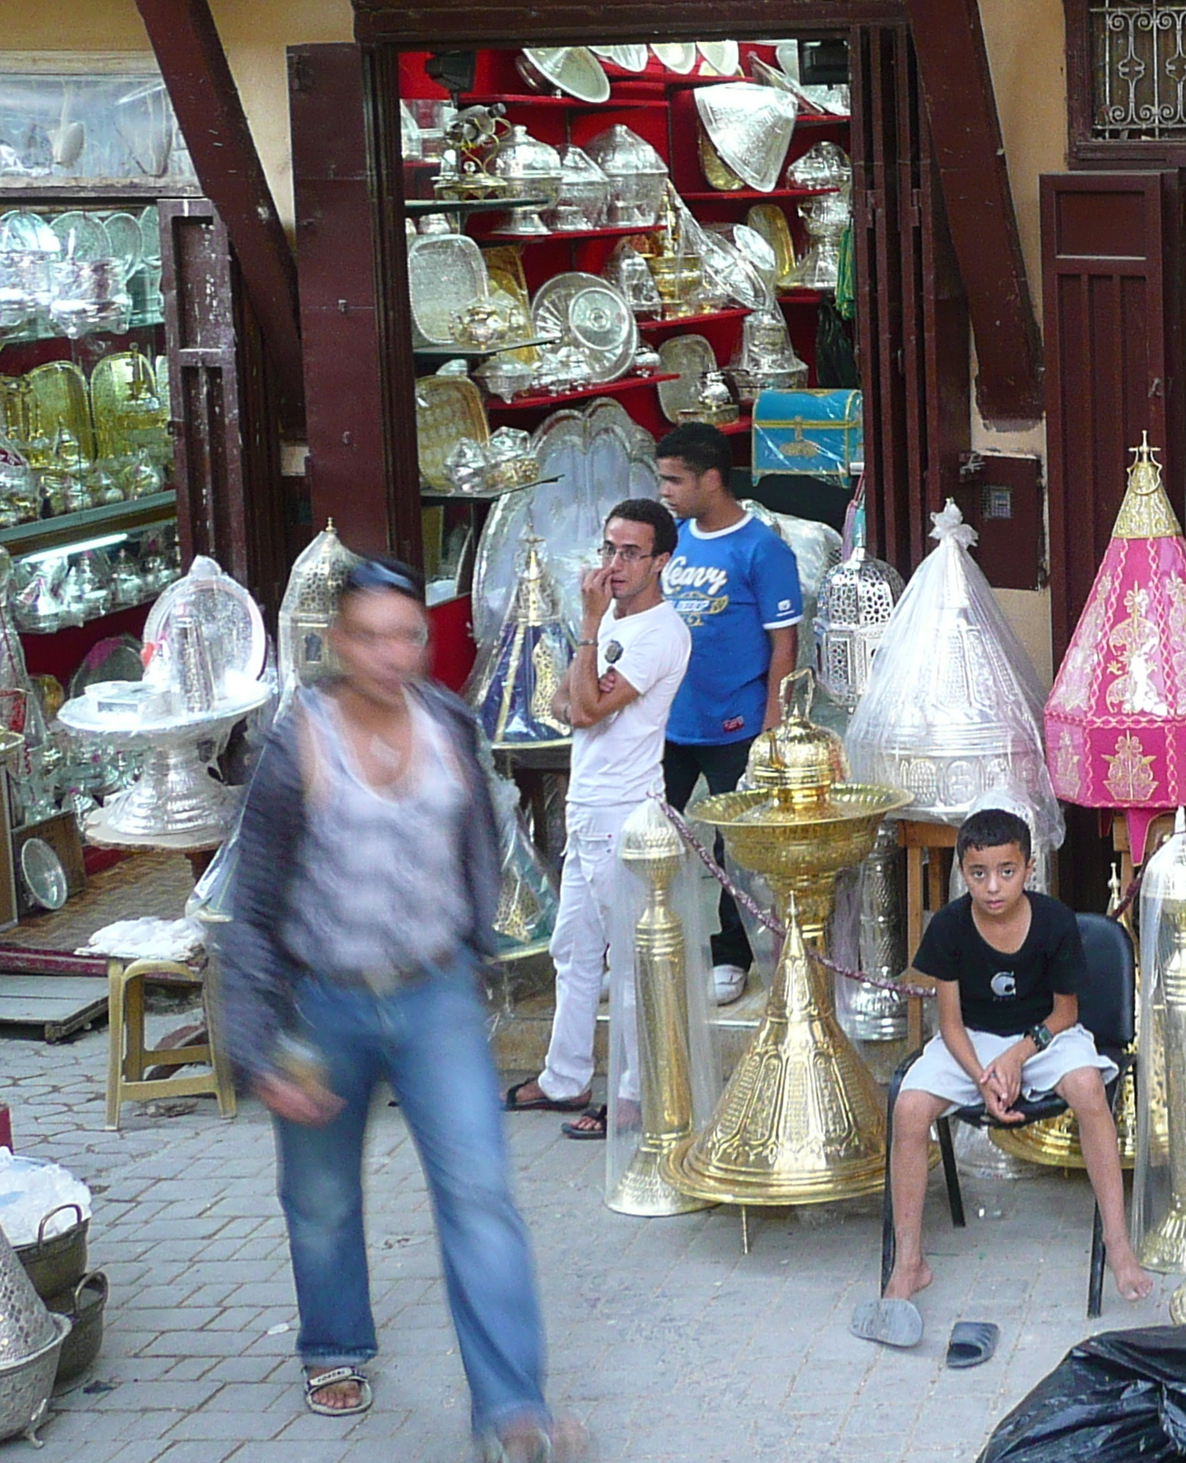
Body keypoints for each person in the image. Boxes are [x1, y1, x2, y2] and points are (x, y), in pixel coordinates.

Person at [216, 556, 586, 1461]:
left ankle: (512, 1412)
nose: (390, 654)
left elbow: (482, 836)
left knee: (480, 1195)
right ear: (338, 642)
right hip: (320, 1002)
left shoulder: (449, 722)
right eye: (370, 636)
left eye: (408, 635)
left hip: (433, 999)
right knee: (323, 1195)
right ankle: (336, 1343)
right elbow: (253, 898)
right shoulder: (298, 738)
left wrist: (472, 946)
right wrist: (259, 1046)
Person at [858, 807, 1152, 1347]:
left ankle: (1118, 1242)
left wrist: (1017, 1057)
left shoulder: (1055, 921)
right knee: (909, 1107)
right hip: (970, 1041)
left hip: (1041, 1037)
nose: (993, 887)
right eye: (978, 874)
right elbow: (948, 1023)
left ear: (1029, 867)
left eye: (1007, 872)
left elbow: (1066, 1013)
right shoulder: (948, 926)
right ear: (962, 873)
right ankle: (909, 1260)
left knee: (1089, 1090)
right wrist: (982, 1076)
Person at [505, 502, 691, 1136]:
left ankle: (635, 1096)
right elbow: (564, 699)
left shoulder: (662, 632)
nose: (613, 565)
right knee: (573, 949)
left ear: (661, 562)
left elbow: (583, 709)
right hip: (588, 805)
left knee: (632, 965)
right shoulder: (611, 618)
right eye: (608, 548)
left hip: (628, 813)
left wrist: (586, 629)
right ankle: (565, 1077)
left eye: (630, 553)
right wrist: (587, 662)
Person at [652, 421, 802, 1005]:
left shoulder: (762, 547)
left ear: (711, 479)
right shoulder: (671, 540)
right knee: (641, 831)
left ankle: (732, 954)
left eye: (675, 480)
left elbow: (783, 645)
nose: (665, 491)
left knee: (733, 846)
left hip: (735, 722)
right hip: (667, 720)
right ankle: (627, 949)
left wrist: (771, 728)